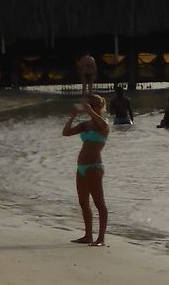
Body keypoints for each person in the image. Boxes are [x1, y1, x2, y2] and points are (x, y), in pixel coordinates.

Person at [62, 92, 109, 246]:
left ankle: (101, 238)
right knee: (83, 202)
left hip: (94, 167)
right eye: (88, 105)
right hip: (81, 167)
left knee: (99, 202)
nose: (89, 107)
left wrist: (91, 112)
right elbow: (66, 133)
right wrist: (73, 116)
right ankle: (88, 235)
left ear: (100, 106)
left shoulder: (104, 124)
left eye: (92, 104)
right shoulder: (86, 125)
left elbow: (103, 125)